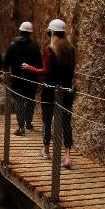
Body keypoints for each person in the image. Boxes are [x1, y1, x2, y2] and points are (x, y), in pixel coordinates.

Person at [23, 19, 76, 167]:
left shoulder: (49, 49)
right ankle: (67, 156)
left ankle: (46, 150)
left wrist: (29, 68)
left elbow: (46, 71)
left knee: (47, 120)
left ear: (50, 33)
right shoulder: (71, 49)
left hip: (50, 89)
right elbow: (71, 72)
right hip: (66, 90)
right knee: (66, 122)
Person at [3, 22, 42, 135]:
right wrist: (39, 81)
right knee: (30, 100)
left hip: (17, 79)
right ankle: (28, 123)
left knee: (19, 101)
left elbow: (6, 63)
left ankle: (21, 127)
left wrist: (6, 75)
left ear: (20, 31)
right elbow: (39, 65)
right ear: (30, 33)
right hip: (31, 79)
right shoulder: (35, 46)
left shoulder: (12, 45)